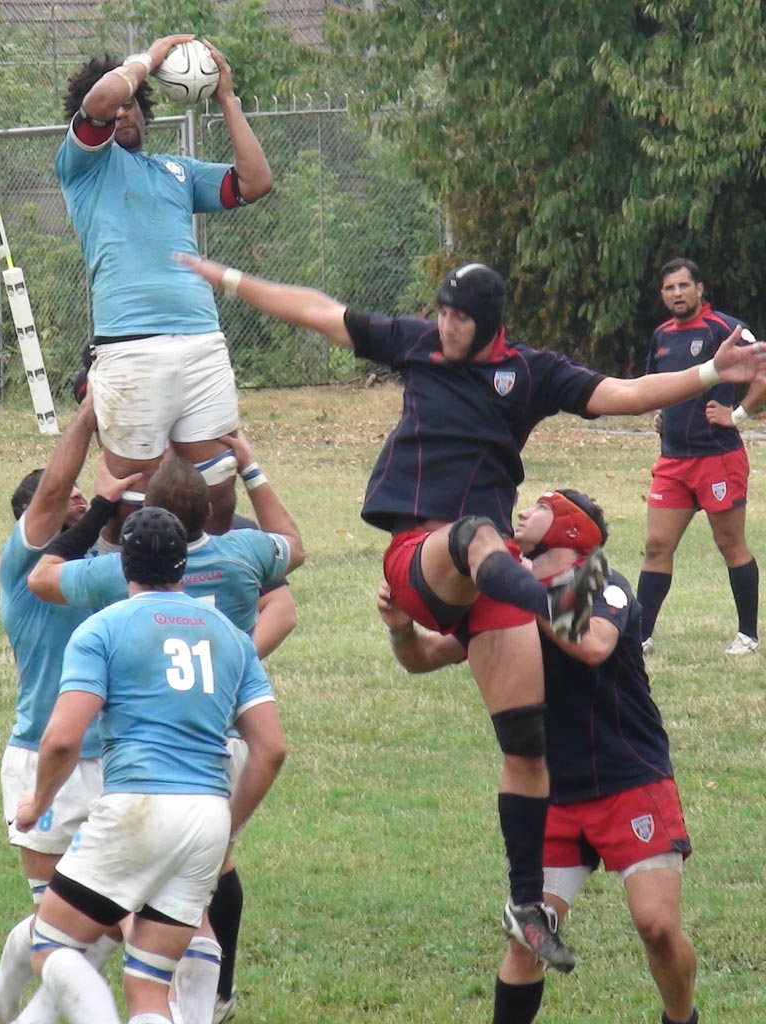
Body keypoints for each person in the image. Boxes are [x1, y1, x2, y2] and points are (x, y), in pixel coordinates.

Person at [175, 253, 765, 974]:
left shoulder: (532, 372)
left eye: (459, 317)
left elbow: (627, 392)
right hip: (424, 551)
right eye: (442, 312)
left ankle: (526, 904)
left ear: (490, 326)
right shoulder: (415, 341)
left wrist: (711, 373)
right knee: (477, 534)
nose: (445, 326)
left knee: (525, 746)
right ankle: (541, 601)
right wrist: (229, 280)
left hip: (495, 583)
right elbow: (315, 308)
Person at [378, 488, 699, 1024]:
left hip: (628, 780)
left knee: (658, 928)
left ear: (573, 528)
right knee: (528, 942)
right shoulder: (503, 598)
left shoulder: (604, 581)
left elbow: (593, 644)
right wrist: (402, 629)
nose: (523, 512)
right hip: (547, 792)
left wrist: (522, 593)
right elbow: (423, 659)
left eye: (541, 506)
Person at [27, 434, 303, 1024]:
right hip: (209, 797)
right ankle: (209, 1005)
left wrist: (36, 802)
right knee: (150, 981)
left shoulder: (103, 617)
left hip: (140, 796)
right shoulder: (233, 626)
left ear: (122, 559)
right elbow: (273, 747)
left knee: (49, 944)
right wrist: (231, 821)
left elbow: (60, 737)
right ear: (204, 523)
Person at [56, 33, 274, 535]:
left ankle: (205, 594)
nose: (124, 113)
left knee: (216, 491)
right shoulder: (84, 166)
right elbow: (99, 102)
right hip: (131, 347)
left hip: (201, 341)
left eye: (134, 105)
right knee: (133, 498)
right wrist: (152, 57)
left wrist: (226, 98)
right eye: (119, 106)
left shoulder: (178, 171)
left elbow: (255, 180)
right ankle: (127, 587)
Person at [0, 396, 137, 1024]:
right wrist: (87, 410)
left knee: (101, 925)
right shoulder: (21, 569)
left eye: (89, 499)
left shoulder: (98, 571)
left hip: (109, 762)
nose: (84, 502)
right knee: (58, 932)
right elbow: (57, 489)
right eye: (72, 502)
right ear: (33, 522)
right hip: (41, 762)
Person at [637, 257, 765, 656]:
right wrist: (663, 411)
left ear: (699, 289)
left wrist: (738, 415)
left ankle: (747, 635)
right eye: (669, 288)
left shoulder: (726, 330)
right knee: (657, 545)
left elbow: (762, 373)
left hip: (718, 458)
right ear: (662, 295)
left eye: (683, 286)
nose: (677, 293)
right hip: (673, 460)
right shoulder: (661, 335)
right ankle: (639, 637)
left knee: (730, 542)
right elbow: (658, 382)